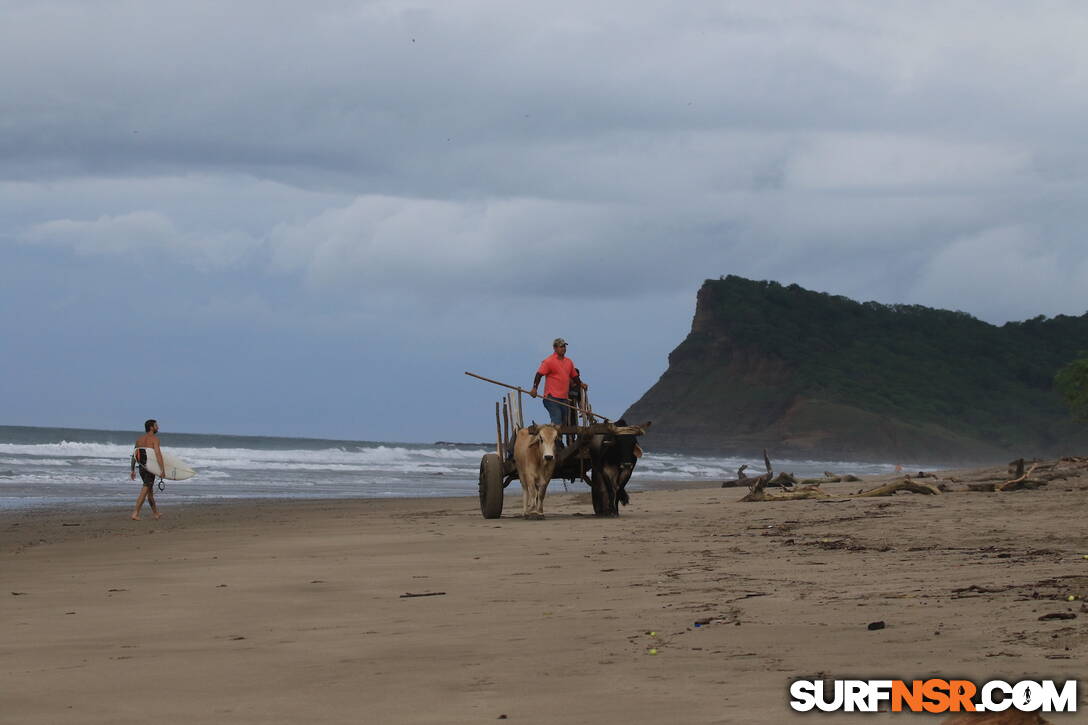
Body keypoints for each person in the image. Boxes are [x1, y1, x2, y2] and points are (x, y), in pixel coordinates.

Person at [529, 338, 587, 426]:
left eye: (564, 346)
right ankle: (555, 439)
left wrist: (581, 384)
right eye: (561, 346)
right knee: (557, 420)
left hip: (564, 398)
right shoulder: (549, 361)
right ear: (555, 348)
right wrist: (534, 388)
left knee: (564, 423)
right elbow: (539, 374)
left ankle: (557, 439)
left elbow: (574, 376)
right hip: (551, 397)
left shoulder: (569, 362)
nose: (563, 348)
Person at [130, 419, 164, 520]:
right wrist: (162, 469)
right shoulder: (155, 439)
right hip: (150, 468)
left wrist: (132, 470)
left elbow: (134, 455)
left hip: (141, 467)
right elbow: (158, 454)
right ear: (151, 427)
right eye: (156, 425)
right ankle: (135, 513)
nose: (158, 427)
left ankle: (156, 513)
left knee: (149, 490)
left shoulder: (139, 440)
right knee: (145, 490)